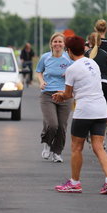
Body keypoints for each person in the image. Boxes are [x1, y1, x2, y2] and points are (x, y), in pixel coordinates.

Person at [53, 35, 107, 195]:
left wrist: (60, 95)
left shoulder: (72, 69)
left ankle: (75, 183)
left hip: (85, 110)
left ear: (69, 51)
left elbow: (68, 94)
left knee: (76, 147)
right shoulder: (93, 64)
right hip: (101, 109)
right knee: (98, 146)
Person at [35, 33, 73, 163]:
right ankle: (47, 143)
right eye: (55, 42)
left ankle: (57, 152)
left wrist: (69, 73)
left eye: (60, 42)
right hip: (48, 94)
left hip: (65, 95)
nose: (57, 44)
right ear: (51, 44)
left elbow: (76, 71)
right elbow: (39, 71)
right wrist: (41, 81)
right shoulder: (45, 57)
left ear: (64, 44)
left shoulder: (69, 58)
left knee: (62, 126)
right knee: (52, 124)